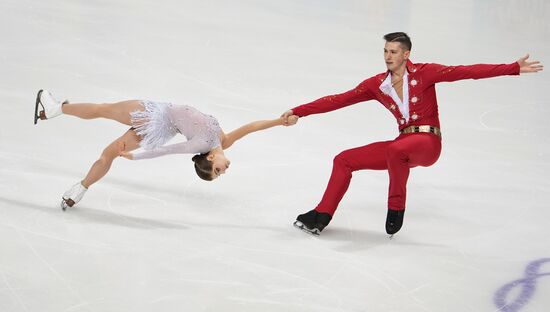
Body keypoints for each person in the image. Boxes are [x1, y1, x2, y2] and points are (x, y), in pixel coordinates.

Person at [281, 32, 543, 236]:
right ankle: (321, 215)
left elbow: (468, 71)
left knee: (396, 150)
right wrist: (299, 111)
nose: (387, 56)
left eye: (393, 51)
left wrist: (512, 68)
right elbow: (338, 99)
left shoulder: (426, 72)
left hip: (427, 143)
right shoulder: (377, 85)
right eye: (385, 51)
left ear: (406, 54)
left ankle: (396, 208)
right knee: (344, 159)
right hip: (403, 144)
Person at [34, 90, 298, 209]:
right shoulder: (223, 141)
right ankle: (79, 190)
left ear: (209, 158)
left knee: (104, 109)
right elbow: (251, 127)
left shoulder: (199, 144)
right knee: (108, 151)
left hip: (155, 114)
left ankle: (55, 108)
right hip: (162, 126)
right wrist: (279, 121)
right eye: (220, 173)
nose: (223, 171)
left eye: (216, 172)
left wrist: (133, 155)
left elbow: (164, 152)